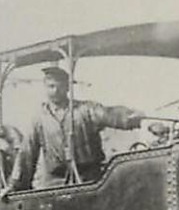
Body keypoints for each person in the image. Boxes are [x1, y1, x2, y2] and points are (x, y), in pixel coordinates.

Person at [8, 65, 144, 191]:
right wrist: (15, 184)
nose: (55, 91)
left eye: (60, 87)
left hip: (89, 180)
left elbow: (110, 114)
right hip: (55, 183)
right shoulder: (39, 119)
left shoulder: (86, 110)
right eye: (51, 86)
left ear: (67, 88)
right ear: (45, 88)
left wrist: (134, 118)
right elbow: (27, 153)